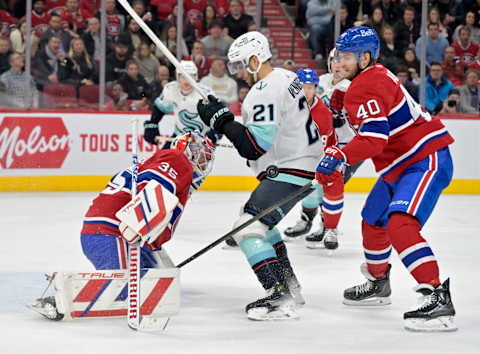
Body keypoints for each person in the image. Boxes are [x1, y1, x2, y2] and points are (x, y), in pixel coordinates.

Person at [316, 26, 455, 332]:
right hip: (400, 164)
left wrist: (340, 157)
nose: (339, 62)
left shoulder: (365, 84)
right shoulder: (361, 81)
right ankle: (379, 284)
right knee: (372, 219)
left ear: (365, 58)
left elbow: (374, 139)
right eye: (337, 55)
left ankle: (437, 297)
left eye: (347, 56)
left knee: (399, 223)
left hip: (423, 158)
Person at [197, 31, 325, 320]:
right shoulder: (284, 76)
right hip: (301, 166)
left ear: (255, 59)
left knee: (247, 228)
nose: (239, 73)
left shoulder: (263, 90)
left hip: (289, 170)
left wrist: (222, 120)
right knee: (265, 226)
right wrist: (226, 122)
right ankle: (290, 286)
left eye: (240, 65)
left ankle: (278, 294)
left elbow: (253, 147)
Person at [28, 131, 216, 321]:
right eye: (202, 157)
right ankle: (60, 301)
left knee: (158, 283)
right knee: (127, 290)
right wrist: (139, 221)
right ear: (188, 152)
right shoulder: (178, 159)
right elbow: (153, 186)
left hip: (108, 232)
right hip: (110, 233)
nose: (204, 165)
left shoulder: (166, 164)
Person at [284, 50, 359, 248]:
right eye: (336, 61)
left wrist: (345, 119)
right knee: (311, 184)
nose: (339, 66)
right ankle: (307, 221)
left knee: (330, 184)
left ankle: (328, 228)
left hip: (348, 146)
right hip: (320, 142)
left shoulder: (355, 87)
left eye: (344, 63)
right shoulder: (321, 81)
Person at [143, 60, 216, 149]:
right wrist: (152, 124)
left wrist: (214, 133)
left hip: (202, 140)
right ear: (177, 77)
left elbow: (219, 117)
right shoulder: (171, 89)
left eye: (190, 76)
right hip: (179, 136)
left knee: (190, 162)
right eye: (183, 76)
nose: (187, 80)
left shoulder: (205, 94)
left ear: (196, 77)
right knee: (162, 161)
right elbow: (160, 108)